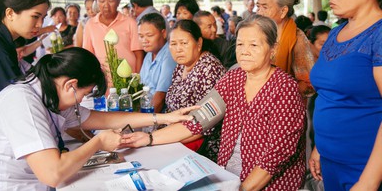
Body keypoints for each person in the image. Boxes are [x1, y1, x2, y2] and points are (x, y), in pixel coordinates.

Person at [122, 15, 307, 190]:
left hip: (269, 185)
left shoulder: (284, 89)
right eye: (240, 44)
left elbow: (273, 159)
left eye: (254, 45)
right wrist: (148, 138)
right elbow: (198, 120)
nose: (245, 52)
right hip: (229, 176)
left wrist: (241, 189)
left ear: (273, 49)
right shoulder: (234, 78)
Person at [0, 47, 195, 190]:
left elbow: (106, 120)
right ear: (70, 85)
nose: (81, 101)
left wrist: (163, 118)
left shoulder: (48, 93)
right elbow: (53, 173)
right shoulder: (22, 103)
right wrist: (99, 142)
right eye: (84, 94)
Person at [309, 0, 382, 190]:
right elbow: (330, 95)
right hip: (330, 162)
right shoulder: (336, 33)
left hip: (364, 168)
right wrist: (320, 146)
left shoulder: (379, 34)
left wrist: (369, 182)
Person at [0, 0, 51, 115]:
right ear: (10, 13)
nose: (40, 24)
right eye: (35, 17)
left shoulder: (1, 42)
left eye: (43, 18)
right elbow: (17, 103)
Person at [166, 19, 226, 156]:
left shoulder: (209, 69)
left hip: (203, 147)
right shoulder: (181, 67)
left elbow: (205, 125)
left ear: (199, 43)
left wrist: (166, 140)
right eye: (173, 44)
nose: (178, 49)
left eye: (184, 43)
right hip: (177, 139)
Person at [256, 0, 315, 97]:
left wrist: (277, 92)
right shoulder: (258, 32)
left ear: (283, 11)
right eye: (258, 7)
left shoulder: (296, 38)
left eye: (265, 7)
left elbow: (308, 84)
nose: (259, 12)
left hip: (284, 107)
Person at [83, 0, 144, 73]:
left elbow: (139, 55)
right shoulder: (90, 25)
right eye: (102, 1)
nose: (106, 5)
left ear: (118, 2)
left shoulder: (130, 23)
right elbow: (88, 56)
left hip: (128, 80)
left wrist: (137, 79)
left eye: (111, 1)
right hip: (102, 81)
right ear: (96, 1)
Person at [138, 13, 176, 113]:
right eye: (141, 36)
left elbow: (160, 98)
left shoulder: (169, 55)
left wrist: (144, 122)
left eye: (149, 35)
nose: (144, 40)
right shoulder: (149, 54)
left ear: (163, 33)